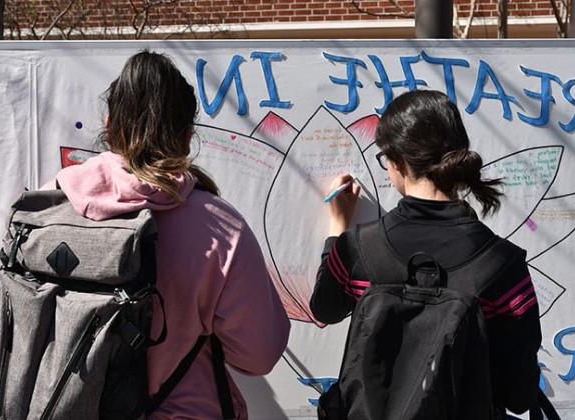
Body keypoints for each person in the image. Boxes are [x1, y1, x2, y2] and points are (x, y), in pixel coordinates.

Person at [46, 51, 290, 419]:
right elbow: (259, 354)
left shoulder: (50, 205)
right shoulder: (220, 227)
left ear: (110, 125)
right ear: (187, 136)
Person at [310, 90, 542, 417]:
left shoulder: (359, 248)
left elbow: (325, 308)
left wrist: (338, 228)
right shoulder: (502, 264)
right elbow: (518, 393)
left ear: (397, 162)